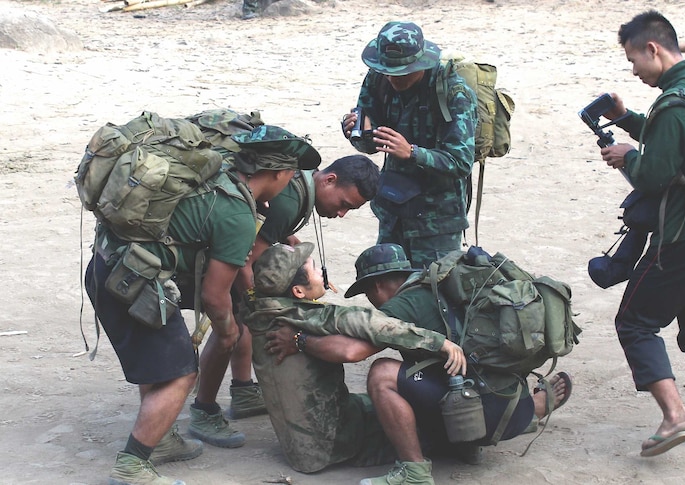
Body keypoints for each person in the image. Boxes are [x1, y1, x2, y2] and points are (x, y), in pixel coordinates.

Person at [85, 124, 315, 485]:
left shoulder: (217, 176)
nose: (289, 182)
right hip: (132, 282)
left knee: (162, 365)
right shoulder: (238, 214)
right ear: (277, 174)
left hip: (107, 266)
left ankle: (159, 441)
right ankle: (133, 465)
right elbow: (214, 295)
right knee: (181, 374)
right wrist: (227, 331)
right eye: (290, 175)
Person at [262, 244, 573, 484]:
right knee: (436, 373)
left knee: (382, 374)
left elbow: (351, 351)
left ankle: (414, 471)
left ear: (377, 286)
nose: (372, 301)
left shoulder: (403, 304)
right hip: (511, 413)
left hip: (479, 412)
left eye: (369, 294)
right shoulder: (447, 288)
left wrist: (300, 340)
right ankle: (506, 421)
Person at [597, 10, 685, 457]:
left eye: (633, 59)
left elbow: (655, 174)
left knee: (635, 322)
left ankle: (675, 416)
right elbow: (679, 143)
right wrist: (625, 118)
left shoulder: (674, 103)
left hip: (682, 238)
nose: (633, 69)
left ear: (652, 49)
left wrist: (626, 157)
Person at [190, 154, 380, 449]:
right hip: (225, 263)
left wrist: (285, 235)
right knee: (230, 331)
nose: (341, 213)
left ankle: (242, 391)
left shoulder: (301, 182)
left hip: (231, 255)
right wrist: (259, 300)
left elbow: (263, 226)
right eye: (343, 204)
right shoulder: (290, 200)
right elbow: (247, 259)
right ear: (329, 180)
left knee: (241, 323)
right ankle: (204, 410)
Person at [242, 242, 467, 474]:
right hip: (333, 443)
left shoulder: (257, 311)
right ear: (297, 291)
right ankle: (429, 460)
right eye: (315, 269)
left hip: (298, 447)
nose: (322, 273)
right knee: (409, 414)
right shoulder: (311, 317)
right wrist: (439, 343)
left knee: (369, 401)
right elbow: (370, 325)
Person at [341, 21, 478, 269]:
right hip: (393, 210)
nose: (393, 77)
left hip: (436, 221)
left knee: (434, 296)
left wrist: (413, 153)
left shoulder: (454, 94)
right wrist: (357, 132)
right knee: (388, 289)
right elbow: (370, 145)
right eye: (388, 70)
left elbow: (461, 163)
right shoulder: (378, 77)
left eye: (402, 71)